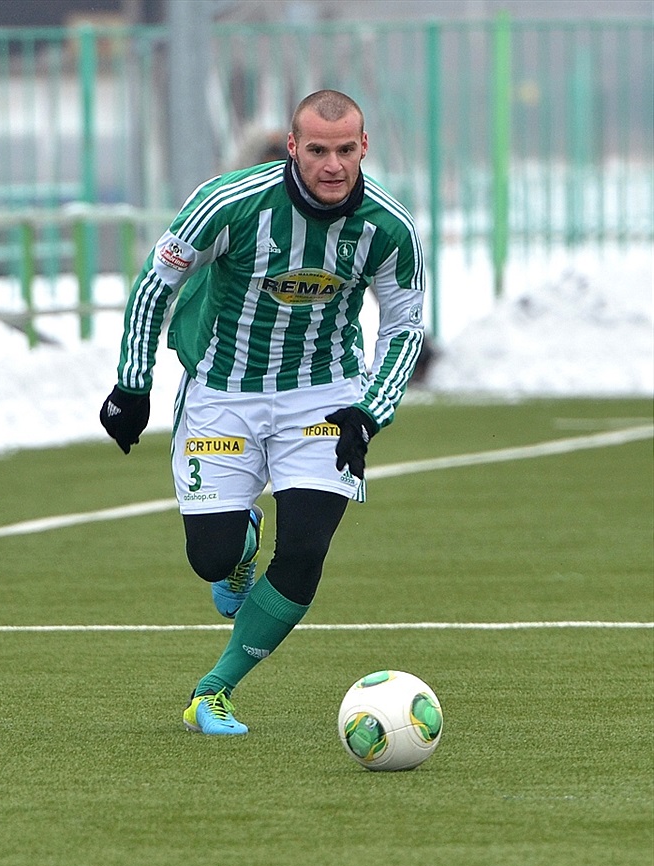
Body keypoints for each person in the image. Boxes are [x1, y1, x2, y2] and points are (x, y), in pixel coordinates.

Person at [100, 89, 425, 736]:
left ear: (363, 148)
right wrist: (132, 385)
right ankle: (239, 543)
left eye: (344, 151)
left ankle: (212, 692)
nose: (332, 165)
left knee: (305, 548)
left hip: (324, 395)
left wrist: (370, 411)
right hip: (225, 393)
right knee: (212, 558)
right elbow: (154, 284)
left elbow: (404, 328)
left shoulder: (388, 228)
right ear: (293, 148)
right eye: (318, 151)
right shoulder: (228, 203)